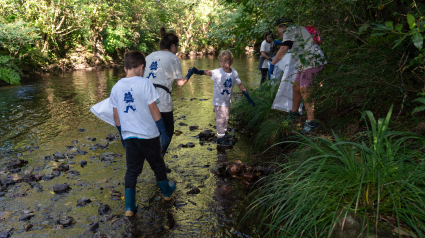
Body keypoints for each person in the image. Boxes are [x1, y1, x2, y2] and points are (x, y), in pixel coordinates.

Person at [109, 51, 176, 217]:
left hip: (130, 136)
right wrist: (163, 132)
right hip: (149, 136)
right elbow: (154, 109)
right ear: (141, 67)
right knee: (158, 166)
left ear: (125, 68)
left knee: (132, 171)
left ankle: (130, 208)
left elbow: (116, 115)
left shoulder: (116, 87)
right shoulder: (145, 83)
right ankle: (167, 193)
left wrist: (121, 134)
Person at [142, 27, 195, 156]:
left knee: (153, 132)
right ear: (172, 46)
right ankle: (158, 160)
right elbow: (180, 83)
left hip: (144, 98)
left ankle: (152, 158)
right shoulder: (173, 58)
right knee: (168, 131)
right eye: (177, 46)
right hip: (162, 100)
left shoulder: (149, 56)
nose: (177, 49)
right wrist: (189, 74)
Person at [269, 17, 327, 133]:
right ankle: (294, 113)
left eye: (277, 30)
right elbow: (290, 43)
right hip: (304, 63)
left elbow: (284, 48)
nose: (277, 33)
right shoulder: (294, 29)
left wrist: (272, 64)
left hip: (312, 62)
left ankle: (312, 122)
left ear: (283, 26)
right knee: (295, 86)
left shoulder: (290, 30)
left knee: (305, 89)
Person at [192, 50, 256, 145]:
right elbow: (209, 72)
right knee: (220, 119)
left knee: (226, 118)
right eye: (221, 61)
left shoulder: (234, 72)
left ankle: (224, 134)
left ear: (230, 61)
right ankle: (220, 138)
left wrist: (247, 96)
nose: (223, 63)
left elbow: (240, 84)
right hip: (218, 101)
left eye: (225, 61)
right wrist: (198, 71)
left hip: (227, 101)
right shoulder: (218, 72)